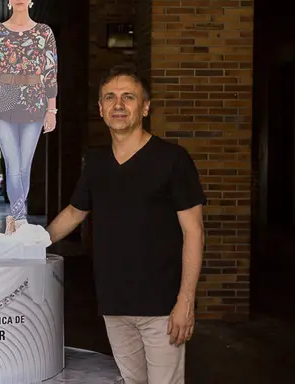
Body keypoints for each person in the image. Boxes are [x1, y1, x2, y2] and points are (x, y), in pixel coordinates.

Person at [44, 65, 206, 383]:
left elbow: (194, 232)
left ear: (145, 107)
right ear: (101, 109)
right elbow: (75, 213)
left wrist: (185, 301)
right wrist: (27, 244)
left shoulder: (173, 160)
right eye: (110, 97)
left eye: (128, 97)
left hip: (162, 306)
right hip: (114, 303)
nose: (119, 105)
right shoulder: (97, 163)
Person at [0, 0, 58, 234]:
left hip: (35, 101)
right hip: (3, 98)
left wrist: (52, 110)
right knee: (13, 164)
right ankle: (19, 217)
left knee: (25, 165)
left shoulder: (44, 32)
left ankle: (16, 218)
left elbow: (51, 72)